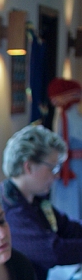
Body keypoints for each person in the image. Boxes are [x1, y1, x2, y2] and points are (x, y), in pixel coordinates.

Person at [1, 124, 82, 280]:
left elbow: (69, 228)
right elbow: (54, 252)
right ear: (28, 166)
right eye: (53, 168)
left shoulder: (36, 201)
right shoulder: (10, 210)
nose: (57, 175)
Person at [48, 77, 82, 221]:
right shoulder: (67, 117)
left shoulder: (64, 117)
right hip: (69, 168)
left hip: (71, 168)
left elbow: (58, 145)